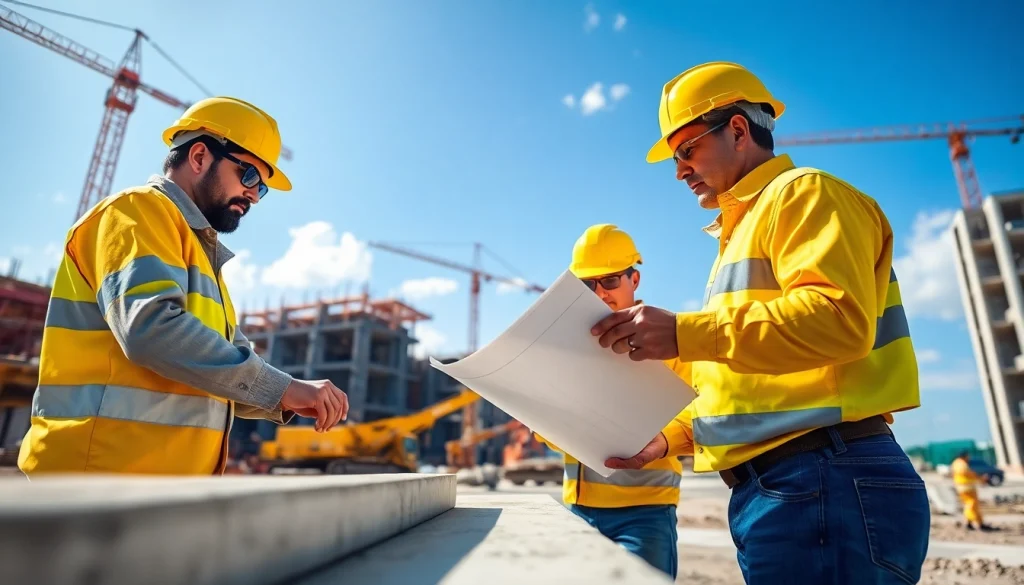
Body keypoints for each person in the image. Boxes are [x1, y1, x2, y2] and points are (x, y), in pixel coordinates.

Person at [590, 62, 931, 584]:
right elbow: (746, 391)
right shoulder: (742, 234)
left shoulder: (803, 194)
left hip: (824, 476)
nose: (680, 171)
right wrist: (668, 442)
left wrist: (683, 332)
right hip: (790, 487)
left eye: (686, 150)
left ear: (738, 130)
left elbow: (838, 320)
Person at [18, 96, 349, 476]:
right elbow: (151, 329)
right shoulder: (135, 212)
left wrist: (287, 392)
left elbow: (212, 367)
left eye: (263, 188)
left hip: (151, 492)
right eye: (250, 176)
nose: (255, 195)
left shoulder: (199, 256)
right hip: (94, 485)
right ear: (198, 158)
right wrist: (282, 388)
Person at [533, 224, 684, 580]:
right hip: (578, 510)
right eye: (588, 285)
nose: (599, 293)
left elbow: (696, 417)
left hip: (645, 513)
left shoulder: (671, 341)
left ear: (635, 279)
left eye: (611, 280)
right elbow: (552, 435)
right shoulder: (567, 348)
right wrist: (540, 417)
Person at [951, 450, 992, 531]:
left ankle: (970, 523)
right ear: (964, 456)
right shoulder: (960, 463)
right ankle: (976, 523)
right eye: (967, 456)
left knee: (971, 505)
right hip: (966, 487)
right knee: (971, 505)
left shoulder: (956, 463)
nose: (968, 458)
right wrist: (980, 478)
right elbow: (965, 472)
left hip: (964, 487)